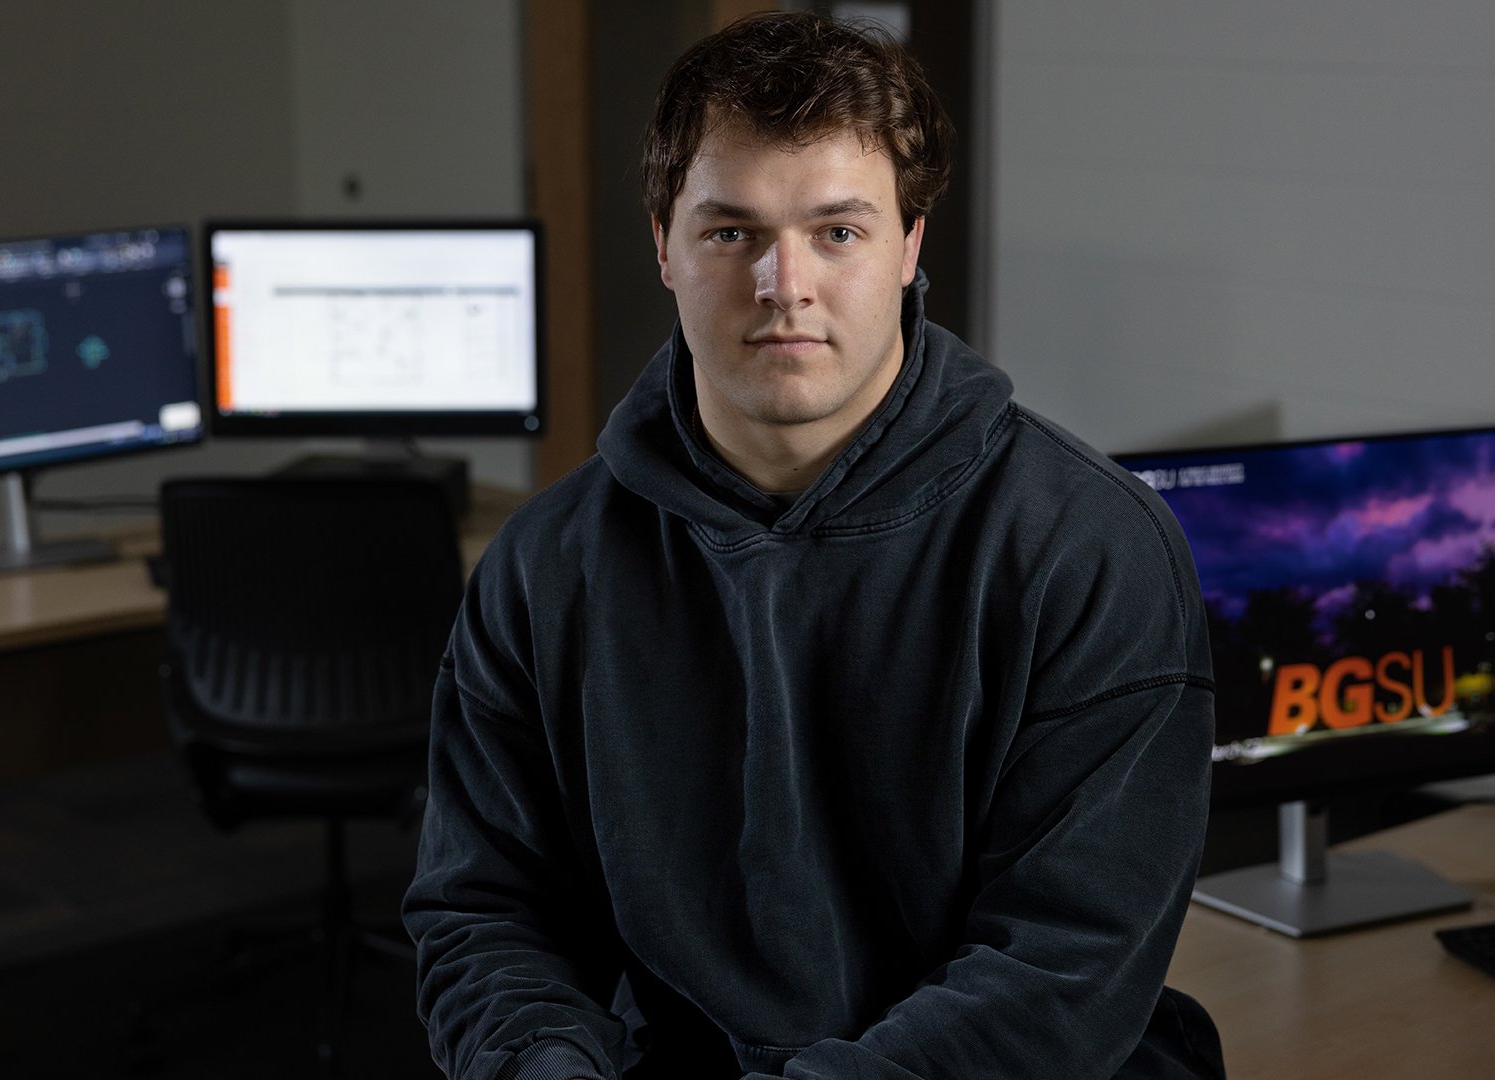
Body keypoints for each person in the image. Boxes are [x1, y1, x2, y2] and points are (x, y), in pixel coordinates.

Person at [404, 12, 1223, 1079]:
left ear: (910, 245)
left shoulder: (1086, 550)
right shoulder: (544, 569)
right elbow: (484, 914)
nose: (783, 286)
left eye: (837, 232)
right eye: (731, 231)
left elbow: (1061, 972)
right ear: (663, 241)